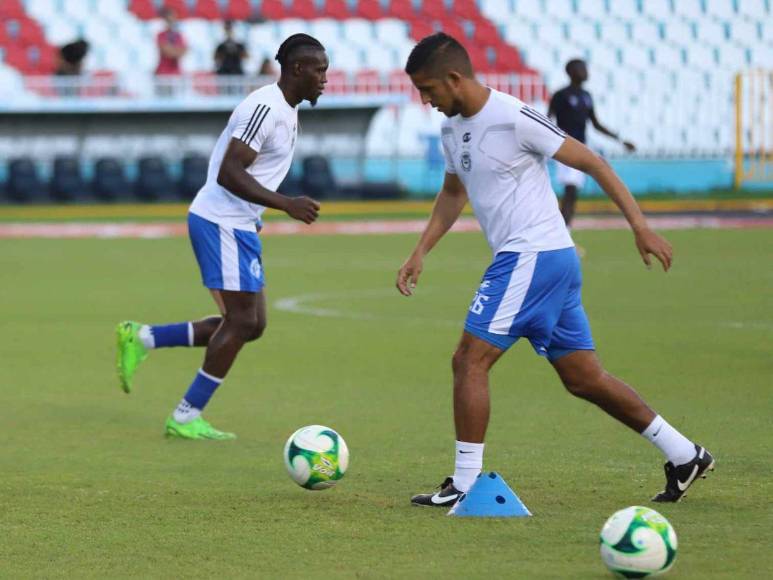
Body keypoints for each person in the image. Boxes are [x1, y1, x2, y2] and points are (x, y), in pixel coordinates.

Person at [396, 33, 713, 506]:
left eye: (428, 90)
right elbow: (453, 194)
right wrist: (421, 250)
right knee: (584, 377)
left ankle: (463, 485)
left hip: (532, 256)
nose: (425, 101)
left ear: (455, 78)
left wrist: (640, 228)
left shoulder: (512, 116)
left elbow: (593, 162)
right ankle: (684, 452)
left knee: (469, 359)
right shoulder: (451, 129)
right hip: (548, 260)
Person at [116, 34, 328, 440]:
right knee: (243, 320)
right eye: (319, 70)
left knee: (252, 324)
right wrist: (286, 203)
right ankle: (184, 416)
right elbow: (229, 172)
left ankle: (143, 337)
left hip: (237, 223)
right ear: (297, 69)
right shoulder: (266, 107)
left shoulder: (286, 108)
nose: (324, 79)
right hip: (221, 221)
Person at [548, 59, 636, 227]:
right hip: (564, 147)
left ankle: (562, 232)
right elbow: (549, 119)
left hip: (581, 149)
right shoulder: (561, 95)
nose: (586, 71)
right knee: (570, 190)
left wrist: (620, 140)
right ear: (571, 72)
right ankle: (561, 234)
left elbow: (595, 124)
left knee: (572, 193)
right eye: (581, 68)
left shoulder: (586, 96)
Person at [155, 7, 187, 76]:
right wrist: (176, 50)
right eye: (169, 19)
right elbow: (166, 52)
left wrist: (171, 49)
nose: (171, 21)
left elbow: (183, 51)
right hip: (163, 73)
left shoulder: (179, 35)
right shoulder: (161, 35)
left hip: (176, 73)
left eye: (173, 19)